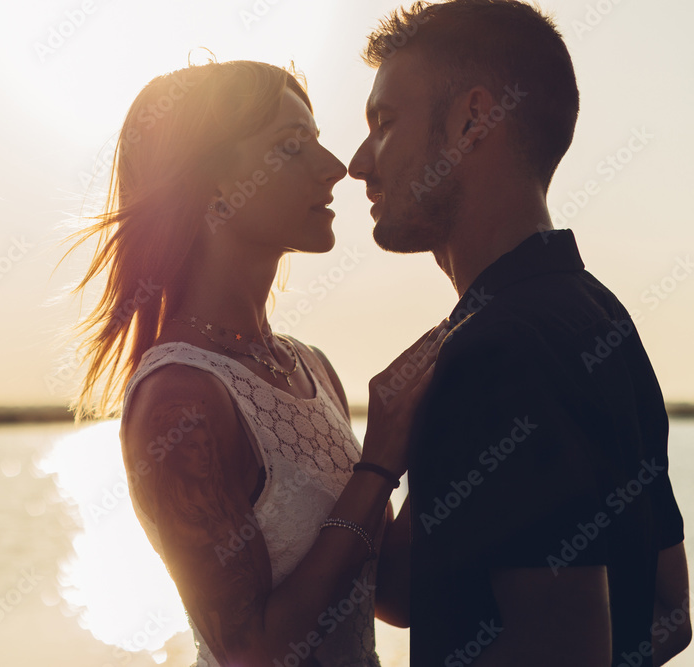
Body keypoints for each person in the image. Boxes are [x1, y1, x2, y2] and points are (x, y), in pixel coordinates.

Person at [67, 59, 445, 666]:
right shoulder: (180, 397)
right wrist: (377, 464)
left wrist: (431, 439)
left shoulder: (311, 368)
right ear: (213, 185)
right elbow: (251, 654)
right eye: (292, 148)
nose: (336, 167)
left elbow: (396, 598)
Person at [347, 1, 690, 665]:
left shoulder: (493, 355)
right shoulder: (602, 316)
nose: (359, 162)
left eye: (384, 122)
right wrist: (383, 460)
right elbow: (669, 613)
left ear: (474, 120)